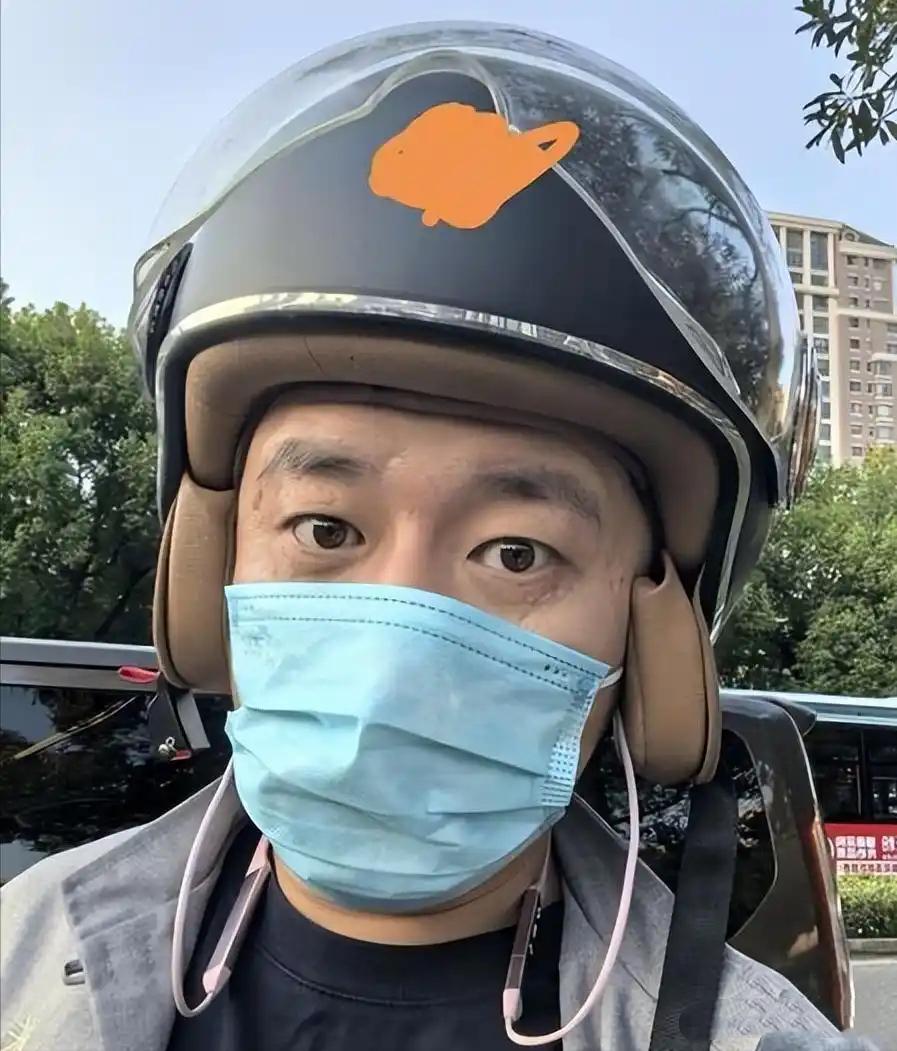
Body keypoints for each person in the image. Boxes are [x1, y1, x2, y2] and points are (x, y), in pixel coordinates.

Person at [0, 21, 880, 1051]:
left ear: (650, 641)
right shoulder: (20, 962)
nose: (396, 646)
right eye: (325, 526)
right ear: (210, 570)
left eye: (516, 552)